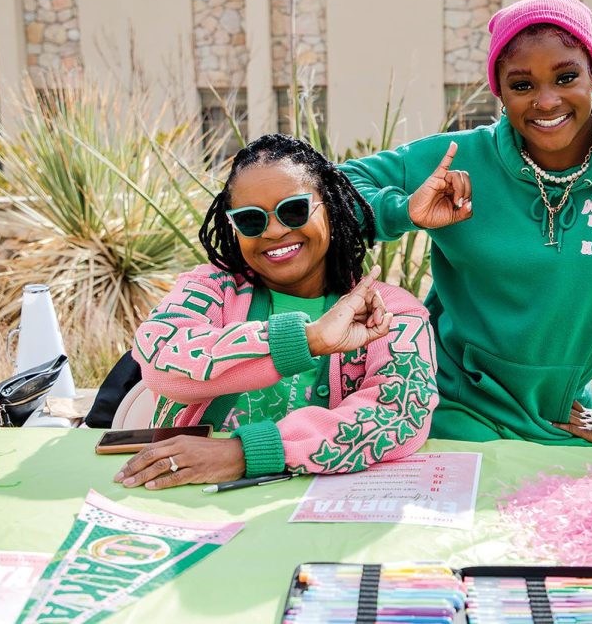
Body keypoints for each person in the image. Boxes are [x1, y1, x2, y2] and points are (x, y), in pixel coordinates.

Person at [341, 0, 592, 447]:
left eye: (566, 76)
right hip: (444, 404)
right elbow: (336, 185)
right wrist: (404, 211)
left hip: (558, 418)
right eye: (522, 85)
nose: (546, 100)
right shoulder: (463, 158)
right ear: (500, 93)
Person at [114, 134, 438, 490]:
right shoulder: (210, 289)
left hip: (311, 512)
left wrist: (245, 454)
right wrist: (307, 340)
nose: (275, 231)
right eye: (251, 220)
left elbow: (401, 414)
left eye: (294, 210)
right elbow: (160, 361)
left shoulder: (390, 311)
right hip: (188, 497)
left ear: (328, 206)